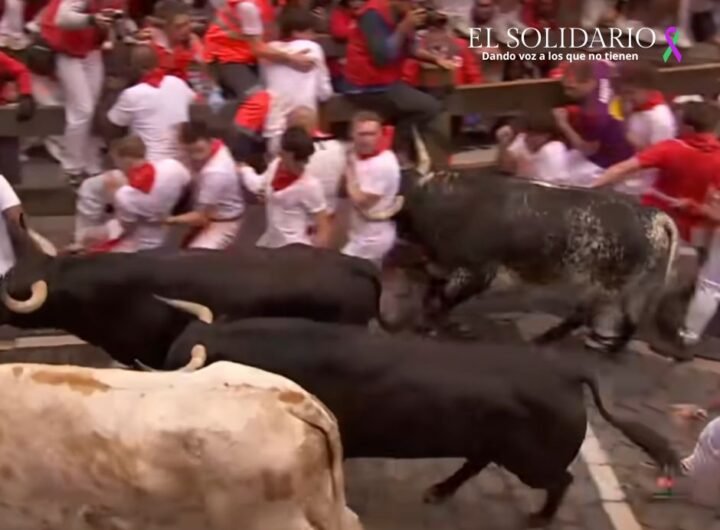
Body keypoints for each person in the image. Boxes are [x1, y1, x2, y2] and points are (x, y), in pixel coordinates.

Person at [591, 102, 720, 360]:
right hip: (694, 234)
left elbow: (623, 168)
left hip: (655, 222)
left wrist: (591, 188)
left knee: (630, 276)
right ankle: (683, 334)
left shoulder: (671, 148)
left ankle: (606, 332)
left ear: (687, 126)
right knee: (704, 284)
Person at [341, 0, 455, 167]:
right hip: (365, 86)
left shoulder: (402, 15)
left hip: (389, 83)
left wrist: (436, 59)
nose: (415, 7)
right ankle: (405, 153)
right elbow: (383, 57)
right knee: (431, 107)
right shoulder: (372, 15)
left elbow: (411, 49)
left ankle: (405, 152)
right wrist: (404, 26)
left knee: (435, 99)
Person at [40, 0, 115, 185]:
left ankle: (89, 163)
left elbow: (110, 20)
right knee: (82, 110)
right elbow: (63, 18)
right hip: (67, 51)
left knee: (92, 108)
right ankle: (71, 167)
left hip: (91, 50)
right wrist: (91, 19)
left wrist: (110, 34)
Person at [83, 135, 191, 253]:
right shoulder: (172, 166)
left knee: (91, 242)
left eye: (116, 162)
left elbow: (126, 227)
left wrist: (114, 196)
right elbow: (187, 183)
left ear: (124, 160)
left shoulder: (125, 196)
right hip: (167, 228)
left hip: (141, 241)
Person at [239, 126, 332, 249]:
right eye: (296, 159)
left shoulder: (311, 186)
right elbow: (261, 185)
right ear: (283, 154)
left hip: (294, 248)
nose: (301, 165)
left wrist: (316, 255)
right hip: (271, 241)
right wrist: (244, 170)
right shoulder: (275, 165)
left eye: (304, 160)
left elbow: (323, 226)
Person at [203, 0, 315, 101]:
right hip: (226, 56)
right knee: (257, 100)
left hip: (252, 55)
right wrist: (291, 58)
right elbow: (258, 48)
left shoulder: (280, 3)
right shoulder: (248, 5)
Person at [106, 44, 196, 162]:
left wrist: (112, 92)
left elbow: (113, 123)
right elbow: (195, 105)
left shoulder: (132, 94)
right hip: (183, 161)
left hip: (150, 164)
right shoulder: (177, 82)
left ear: (132, 68)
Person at [261, 7, 333, 153]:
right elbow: (325, 92)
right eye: (311, 31)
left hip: (274, 128)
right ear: (296, 32)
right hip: (304, 128)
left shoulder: (266, 51)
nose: (314, 36)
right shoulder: (313, 48)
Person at [554, 60, 635, 187]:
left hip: (610, 162)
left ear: (590, 82)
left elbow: (587, 150)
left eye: (571, 88)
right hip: (620, 132)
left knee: (564, 179)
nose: (566, 93)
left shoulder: (593, 114)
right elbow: (607, 64)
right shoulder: (601, 68)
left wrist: (563, 124)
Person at [167, 120, 244, 250]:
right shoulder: (217, 144)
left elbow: (200, 218)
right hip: (209, 209)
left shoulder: (216, 173)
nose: (195, 157)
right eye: (189, 151)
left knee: (197, 255)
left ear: (208, 141)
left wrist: (168, 220)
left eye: (198, 150)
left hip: (222, 221)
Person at [341, 110, 400, 266]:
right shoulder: (353, 153)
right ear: (352, 135)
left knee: (340, 272)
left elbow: (362, 200)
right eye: (362, 134)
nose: (366, 140)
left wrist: (349, 172)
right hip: (358, 232)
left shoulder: (384, 163)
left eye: (372, 134)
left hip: (373, 236)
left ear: (380, 134)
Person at [614, 61, 676, 195]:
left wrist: (629, 138)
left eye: (630, 93)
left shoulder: (660, 119)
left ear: (649, 90)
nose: (626, 98)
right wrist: (625, 117)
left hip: (646, 180)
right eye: (623, 93)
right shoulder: (634, 107)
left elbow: (659, 158)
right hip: (628, 167)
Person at [286, 105, 347, 217]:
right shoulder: (338, 147)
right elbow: (344, 185)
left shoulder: (290, 154)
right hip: (328, 215)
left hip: (297, 220)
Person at [496, 112, 570, 184]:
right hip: (523, 188)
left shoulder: (555, 148)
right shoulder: (522, 139)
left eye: (536, 134)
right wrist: (503, 143)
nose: (531, 137)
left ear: (547, 135)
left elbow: (553, 183)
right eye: (529, 132)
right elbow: (506, 168)